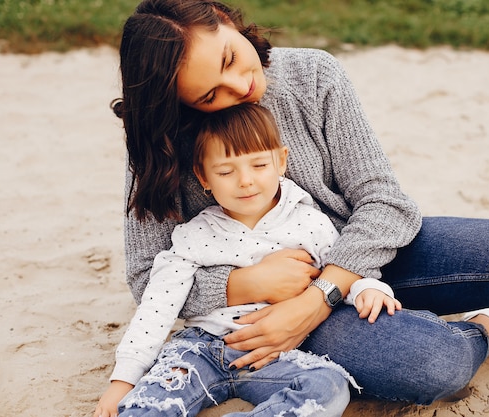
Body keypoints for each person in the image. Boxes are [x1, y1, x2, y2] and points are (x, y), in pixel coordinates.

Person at [111, 0, 489, 408]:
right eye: (209, 97)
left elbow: (386, 203)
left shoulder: (314, 75)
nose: (239, 86)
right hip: (267, 312)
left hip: (366, 260)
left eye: (228, 59)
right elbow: (145, 276)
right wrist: (246, 283)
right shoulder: (159, 143)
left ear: (224, 18)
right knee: (431, 367)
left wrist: (319, 298)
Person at [96, 103, 404, 417]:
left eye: (258, 165)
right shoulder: (193, 235)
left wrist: (368, 289)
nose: (245, 181)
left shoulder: (311, 224)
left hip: (276, 355)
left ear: (281, 162)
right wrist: (124, 378)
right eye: (226, 171)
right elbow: (157, 306)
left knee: (329, 387)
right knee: (150, 404)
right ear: (203, 176)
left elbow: (340, 271)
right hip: (201, 349)